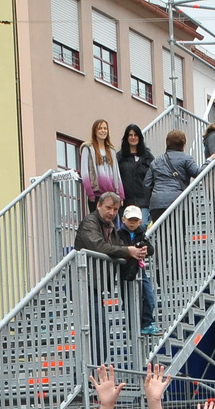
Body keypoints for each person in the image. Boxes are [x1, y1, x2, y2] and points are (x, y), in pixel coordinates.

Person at [74, 192, 145, 276]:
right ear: (98, 205)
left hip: (100, 277)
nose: (112, 213)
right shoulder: (89, 222)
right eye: (108, 208)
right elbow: (100, 247)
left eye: (115, 209)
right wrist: (128, 251)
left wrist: (137, 250)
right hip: (85, 277)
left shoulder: (110, 224)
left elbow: (118, 244)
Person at [114, 206, 156, 336]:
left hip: (138, 270)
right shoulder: (118, 233)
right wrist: (129, 251)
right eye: (130, 219)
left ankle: (147, 323)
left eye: (135, 220)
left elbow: (151, 249)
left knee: (148, 296)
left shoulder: (141, 233)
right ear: (123, 220)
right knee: (127, 299)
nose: (132, 222)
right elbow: (118, 248)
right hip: (125, 270)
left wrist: (145, 250)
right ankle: (133, 326)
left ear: (139, 222)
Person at [147, 129, 201, 217]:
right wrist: (209, 161)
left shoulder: (156, 161)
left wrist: (151, 200)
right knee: (179, 230)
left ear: (167, 143)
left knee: (162, 230)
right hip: (179, 202)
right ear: (183, 145)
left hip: (157, 204)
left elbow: (147, 184)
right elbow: (198, 173)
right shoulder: (186, 158)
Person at [78, 119, 121, 213]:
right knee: (97, 224)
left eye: (105, 128)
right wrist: (90, 193)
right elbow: (84, 172)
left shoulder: (111, 150)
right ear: (95, 131)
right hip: (96, 195)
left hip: (111, 195)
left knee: (109, 225)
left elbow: (117, 173)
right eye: (100, 128)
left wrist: (121, 194)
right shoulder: (88, 148)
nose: (103, 131)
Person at [116, 123, 153, 223]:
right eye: (130, 135)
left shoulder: (148, 156)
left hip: (144, 202)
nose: (133, 137)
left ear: (140, 137)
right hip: (126, 202)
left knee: (143, 228)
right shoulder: (119, 157)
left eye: (136, 135)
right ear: (126, 138)